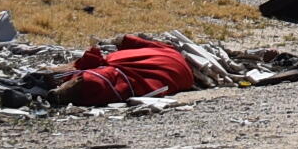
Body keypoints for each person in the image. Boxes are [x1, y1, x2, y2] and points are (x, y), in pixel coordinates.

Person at [46, 37, 200, 105]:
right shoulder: (184, 71)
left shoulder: (162, 49)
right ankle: (63, 92)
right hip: (135, 80)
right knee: (104, 82)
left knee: (98, 77)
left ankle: (60, 88)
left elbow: (125, 39)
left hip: (126, 74)